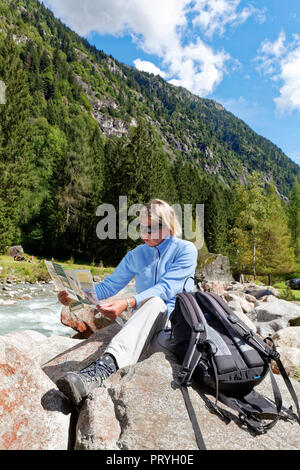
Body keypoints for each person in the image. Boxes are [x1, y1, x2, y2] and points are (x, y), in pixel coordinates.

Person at [56, 199, 198, 406]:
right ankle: (103, 368)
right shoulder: (136, 254)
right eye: (142, 227)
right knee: (150, 316)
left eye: (151, 228)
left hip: (174, 328)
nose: (145, 234)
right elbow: (108, 287)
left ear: (168, 227)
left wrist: (129, 302)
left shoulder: (186, 250)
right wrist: (75, 294)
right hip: (145, 329)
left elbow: (167, 288)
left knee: (157, 303)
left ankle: (104, 367)